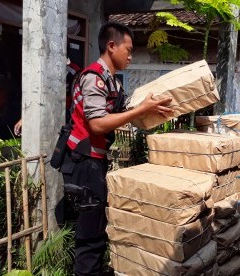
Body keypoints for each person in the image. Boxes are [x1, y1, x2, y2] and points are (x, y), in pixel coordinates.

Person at [59, 22, 173, 275]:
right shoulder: (93, 78)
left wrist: (146, 110)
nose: (131, 56)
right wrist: (142, 110)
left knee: (98, 228)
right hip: (83, 163)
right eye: (128, 50)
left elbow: (121, 115)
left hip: (94, 162)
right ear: (111, 46)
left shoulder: (112, 82)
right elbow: (98, 124)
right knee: (89, 235)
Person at [13, 59, 81, 136]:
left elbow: (52, 98)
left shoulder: (71, 72)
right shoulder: (47, 71)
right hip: (53, 115)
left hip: (66, 117)